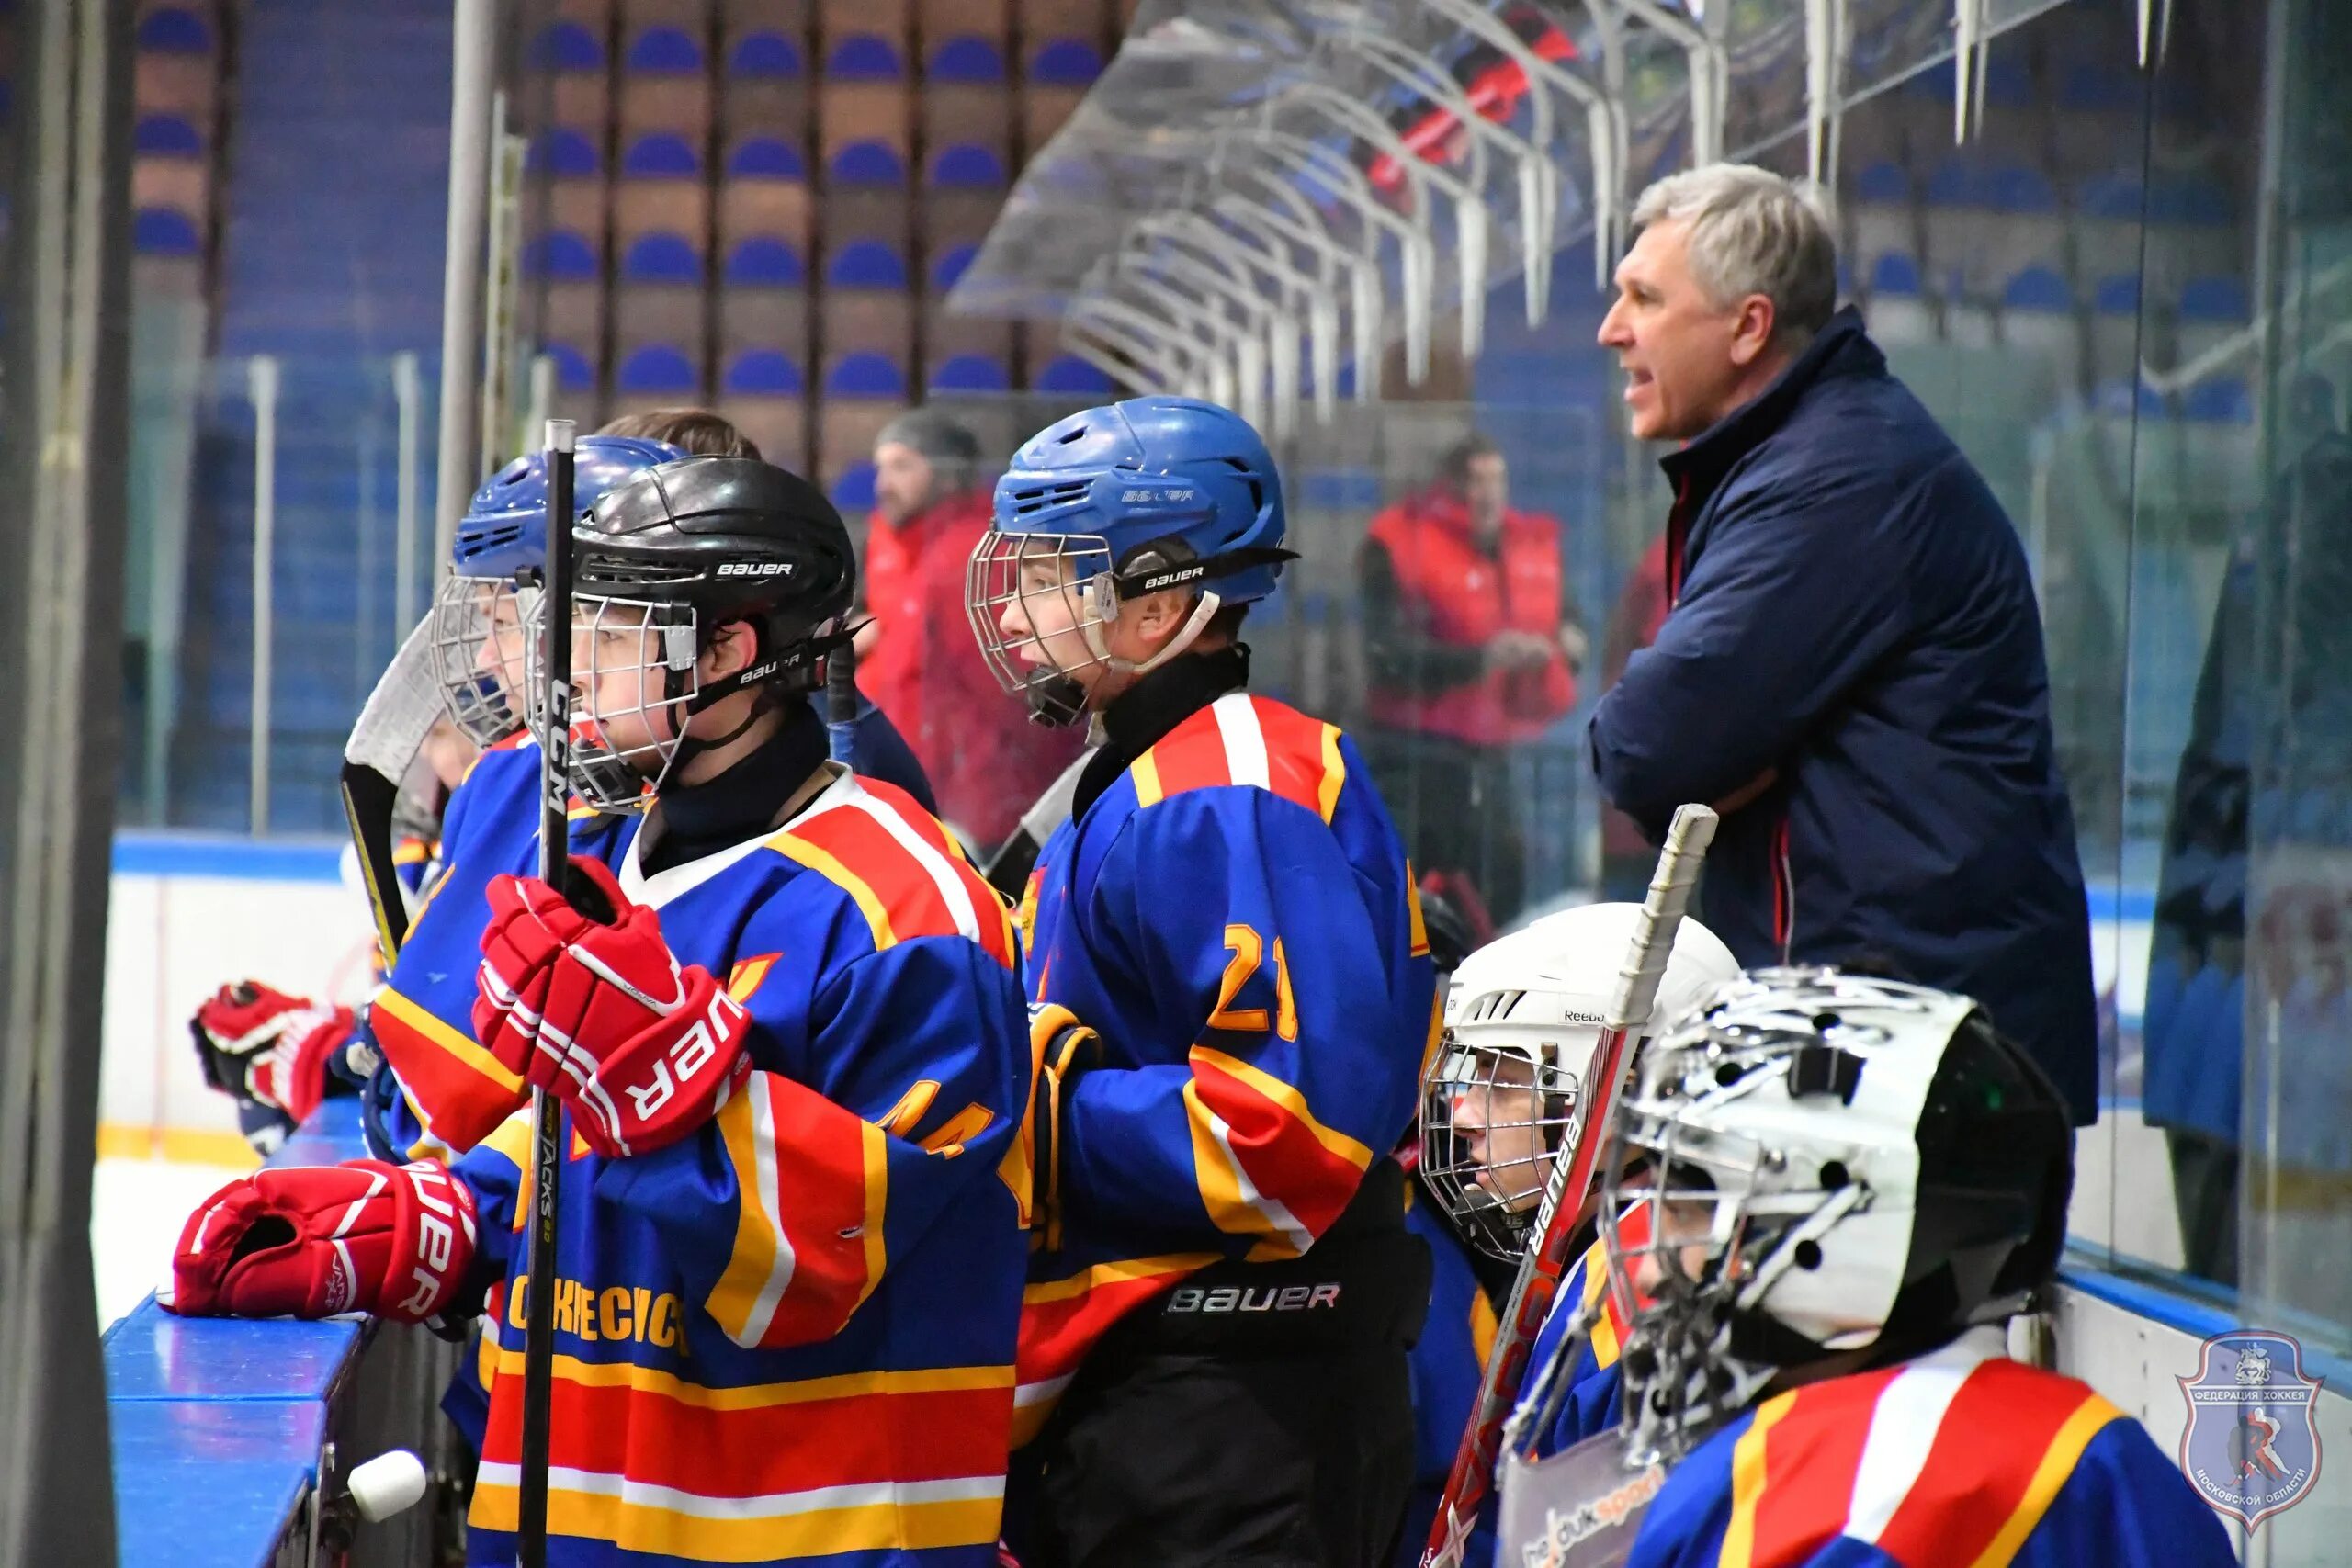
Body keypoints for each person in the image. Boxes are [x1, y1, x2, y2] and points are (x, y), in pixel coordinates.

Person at [165, 455, 1035, 1567]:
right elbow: (570, 1142)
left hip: (807, 1538)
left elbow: (858, 1243)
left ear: (733, 650)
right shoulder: (615, 857)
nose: (569, 670)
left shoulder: (907, 902)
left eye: (615, 633)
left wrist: (662, 1095)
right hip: (583, 1521)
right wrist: (450, 1220)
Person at [967, 396, 1438, 1566]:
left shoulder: (1227, 792)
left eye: (1056, 578)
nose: (1020, 614)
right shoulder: (1133, 778)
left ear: (1167, 603)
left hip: (1242, 1409)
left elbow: (1291, 1142)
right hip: (1166, 1389)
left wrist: (1036, 1098)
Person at [1586, 163, 2099, 1123]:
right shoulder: (1809, 454)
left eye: (1644, 299)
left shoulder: (1836, 479)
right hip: (1884, 1041)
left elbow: (1644, 748)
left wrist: (1730, 762)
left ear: (1747, 327)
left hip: (1915, 1070)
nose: (1611, 329)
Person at [1493, 967, 2236, 1568]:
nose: (1651, 1265)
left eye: (1692, 1201)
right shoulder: (2109, 1460)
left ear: (1846, 1224)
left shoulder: (1801, 1495)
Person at [1360, 433, 1587, 929]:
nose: (1486, 493)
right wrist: (1478, 660)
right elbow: (1385, 653)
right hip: (1413, 751)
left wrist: (1568, 642)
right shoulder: (1397, 545)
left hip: (1492, 750)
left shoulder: (1526, 547)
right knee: (1407, 882)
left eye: (1496, 480)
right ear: (1449, 486)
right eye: (1474, 480)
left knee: (1503, 878)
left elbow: (1565, 611)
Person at [864, 406, 1080, 849]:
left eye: (902, 466)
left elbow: (1008, 692)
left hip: (977, 803)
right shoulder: (902, 548)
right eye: (880, 468)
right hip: (921, 787)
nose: (883, 484)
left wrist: (1003, 801)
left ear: (948, 473)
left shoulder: (967, 558)